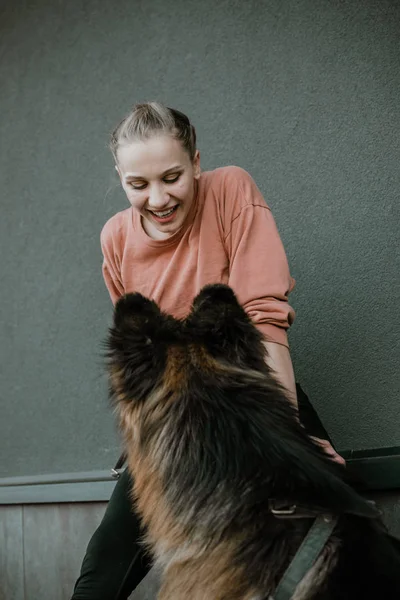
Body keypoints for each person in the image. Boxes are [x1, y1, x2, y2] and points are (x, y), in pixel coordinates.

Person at [71, 102, 344, 600]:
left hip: (253, 390)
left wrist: (288, 434)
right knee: (102, 574)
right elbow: (139, 354)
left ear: (197, 161)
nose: (157, 198)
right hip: (174, 418)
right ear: (120, 178)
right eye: (138, 184)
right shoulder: (114, 238)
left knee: (334, 535)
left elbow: (263, 319)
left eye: (172, 176)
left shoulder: (231, 191)